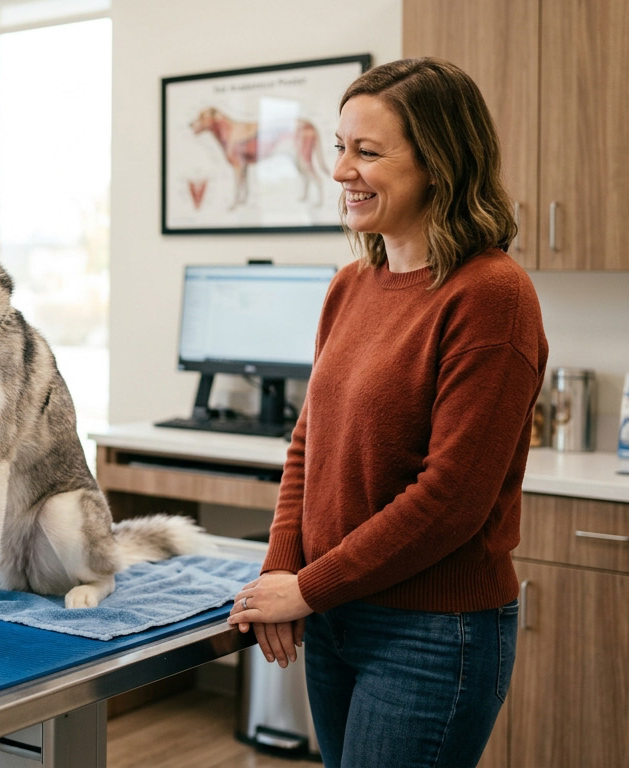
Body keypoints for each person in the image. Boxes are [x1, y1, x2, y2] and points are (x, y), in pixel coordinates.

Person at [225, 58, 548, 768]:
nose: (341, 170)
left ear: (439, 164)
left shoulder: (491, 294)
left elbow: (452, 498)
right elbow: (308, 440)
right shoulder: (350, 285)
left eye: (367, 152)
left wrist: (305, 586)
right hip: (338, 617)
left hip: (432, 633)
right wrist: (282, 569)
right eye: (340, 147)